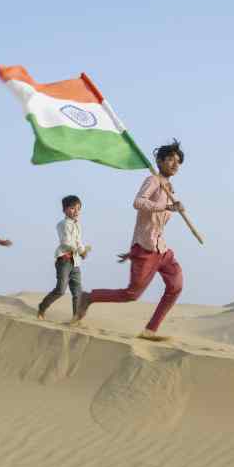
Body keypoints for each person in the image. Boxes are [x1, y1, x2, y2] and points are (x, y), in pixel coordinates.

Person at [75, 140, 186, 341]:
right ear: (160, 161)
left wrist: (175, 206)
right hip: (146, 248)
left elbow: (156, 223)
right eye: (170, 159)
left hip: (161, 249)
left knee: (176, 285)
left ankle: (150, 330)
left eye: (178, 161)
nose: (175, 164)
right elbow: (138, 202)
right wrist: (166, 208)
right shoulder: (153, 180)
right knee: (132, 294)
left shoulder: (170, 189)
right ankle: (89, 297)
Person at [37, 195, 90, 320]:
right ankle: (42, 307)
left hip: (75, 262)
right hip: (64, 260)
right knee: (60, 290)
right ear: (65, 210)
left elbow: (78, 241)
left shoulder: (78, 225)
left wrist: (82, 251)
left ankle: (76, 319)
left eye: (78, 208)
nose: (76, 211)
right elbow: (66, 242)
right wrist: (80, 250)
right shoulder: (63, 224)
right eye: (72, 208)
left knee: (77, 292)